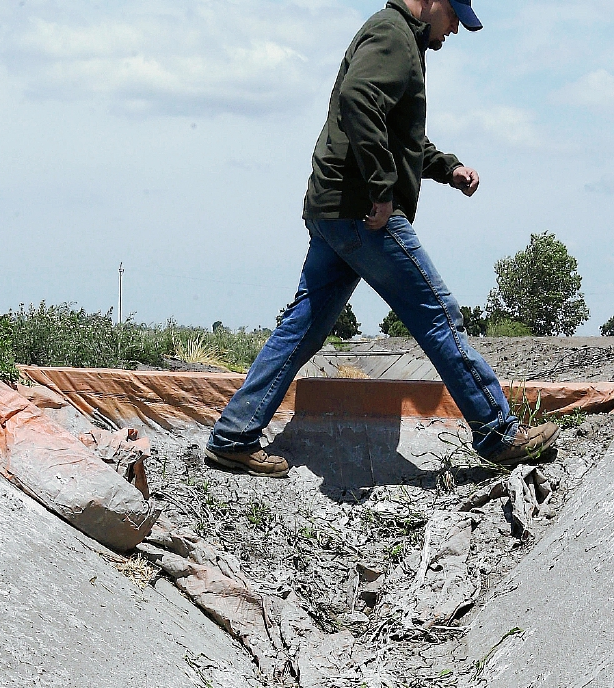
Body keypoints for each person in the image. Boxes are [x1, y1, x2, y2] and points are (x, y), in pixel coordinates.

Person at [204, 0, 559, 478]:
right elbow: (358, 97)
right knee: (438, 315)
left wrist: (446, 167)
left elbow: (397, 134)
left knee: (304, 324)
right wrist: (381, 188)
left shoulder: (398, 36)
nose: (455, 28)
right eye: (454, 16)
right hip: (364, 213)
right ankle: (498, 432)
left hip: (335, 209)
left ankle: (234, 436)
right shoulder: (393, 34)